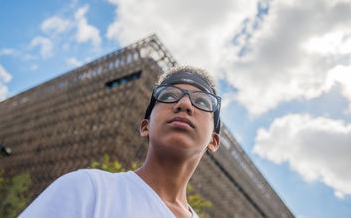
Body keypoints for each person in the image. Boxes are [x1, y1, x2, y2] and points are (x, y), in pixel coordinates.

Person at [19, 66, 221, 218]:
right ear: (145, 126)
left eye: (202, 102)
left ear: (213, 140)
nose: (184, 104)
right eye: (168, 96)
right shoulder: (89, 190)